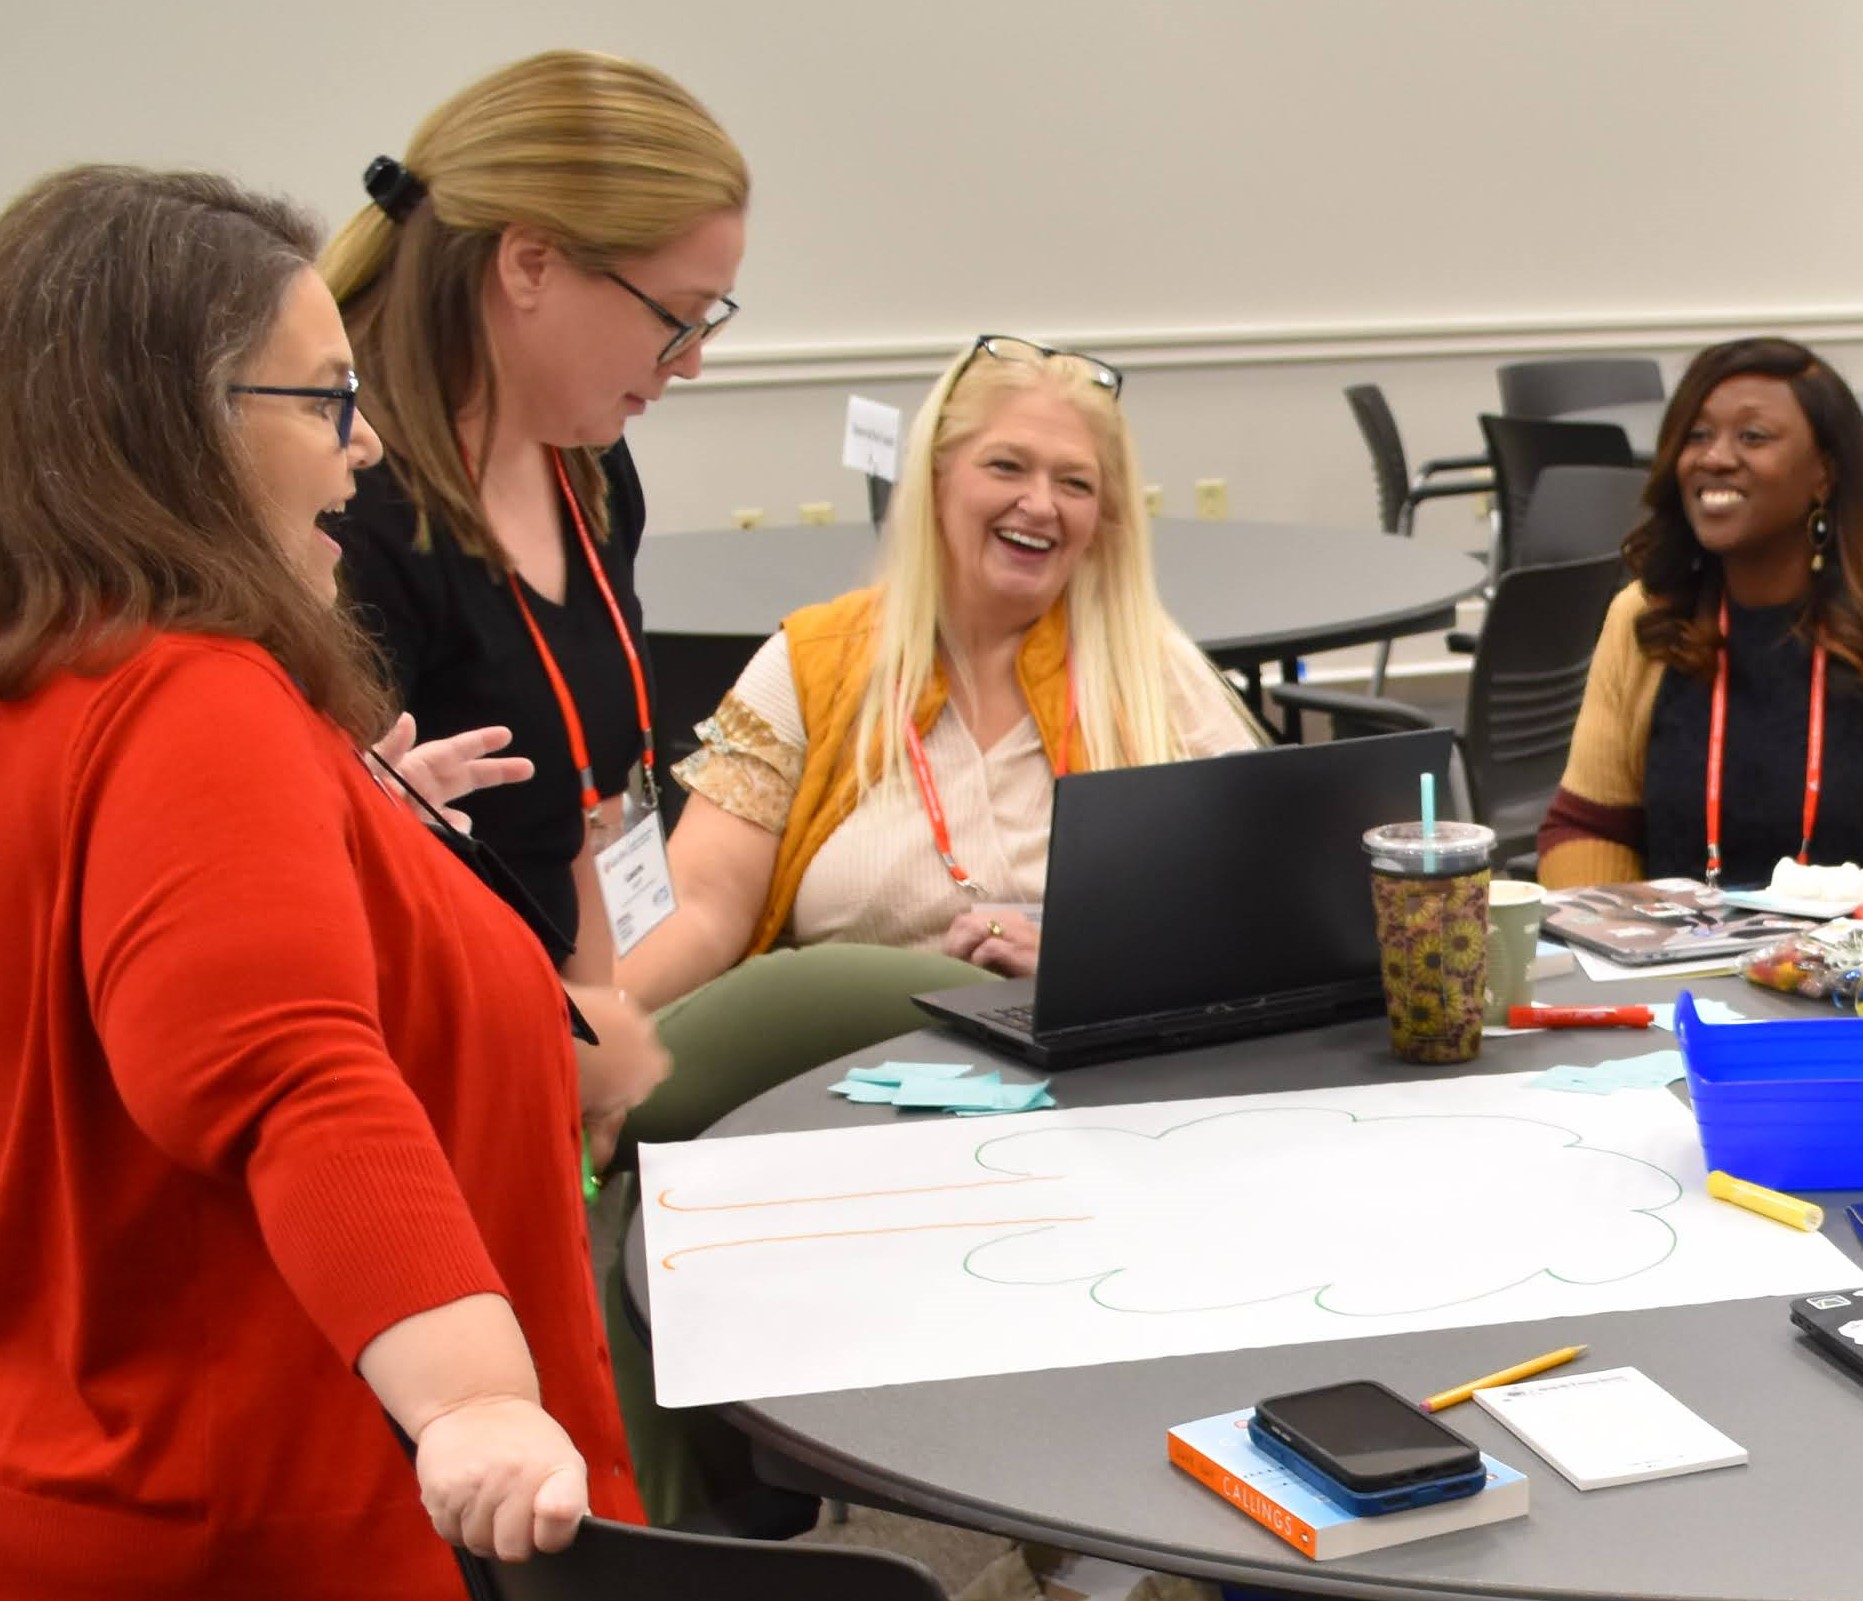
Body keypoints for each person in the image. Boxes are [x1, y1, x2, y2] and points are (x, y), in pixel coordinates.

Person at [0, 166, 638, 1596]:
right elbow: (279, 1068)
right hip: (278, 1511)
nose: (361, 458)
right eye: (327, 402)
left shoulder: (68, 687)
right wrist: (472, 1396)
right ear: (176, 423)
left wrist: (351, 840)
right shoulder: (187, 702)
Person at [621, 335, 1262, 1011]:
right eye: (1007, 466)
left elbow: (1253, 910)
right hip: (839, 1076)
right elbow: (702, 906)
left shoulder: (1152, 673)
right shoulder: (811, 663)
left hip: (1087, 1080)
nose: (1040, 504)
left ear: (1102, 518)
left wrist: (1085, 961)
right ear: (935, 478)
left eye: (1074, 482)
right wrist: (577, 1040)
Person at [322, 49, 748, 999]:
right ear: (530, 265)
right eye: (674, 319)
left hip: (561, 1032)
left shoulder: (589, 463)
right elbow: (330, 898)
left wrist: (601, 1015)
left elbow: (593, 817)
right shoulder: (350, 511)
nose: (689, 366)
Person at [1537, 336, 1863, 894]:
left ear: (1824, 474)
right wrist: (1626, 932)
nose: (1714, 457)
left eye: (1753, 437)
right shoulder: (1645, 614)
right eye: (1698, 435)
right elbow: (1585, 826)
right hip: (1677, 967)